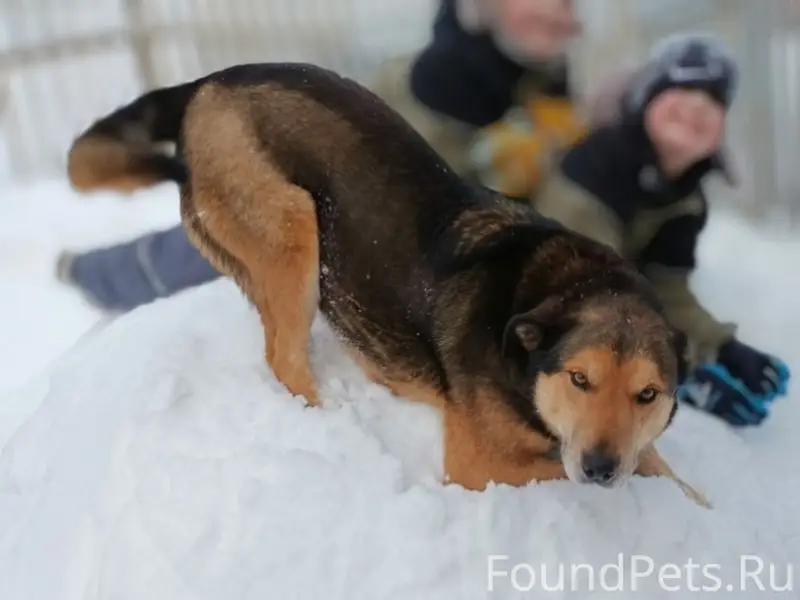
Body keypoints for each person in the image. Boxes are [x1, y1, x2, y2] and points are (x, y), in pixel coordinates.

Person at [56, 0, 585, 312]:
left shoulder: (544, 80)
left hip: (369, 235)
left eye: (566, 5)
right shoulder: (450, 73)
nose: (559, 14)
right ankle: (90, 275)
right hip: (312, 188)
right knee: (205, 253)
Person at [530, 32, 791, 426]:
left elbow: (666, 285)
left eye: (714, 99)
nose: (697, 105)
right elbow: (589, 295)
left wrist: (719, 346)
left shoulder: (685, 196)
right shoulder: (592, 171)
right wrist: (678, 370)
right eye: (682, 88)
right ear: (645, 98)